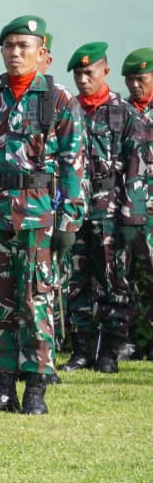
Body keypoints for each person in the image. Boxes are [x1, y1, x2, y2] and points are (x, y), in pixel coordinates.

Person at [0, 15, 85, 415]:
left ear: (42, 54)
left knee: (36, 302)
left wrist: (69, 222)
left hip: (38, 218)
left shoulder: (58, 99)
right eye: (9, 46)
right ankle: (3, 388)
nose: (15, 53)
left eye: (24, 46)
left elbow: (73, 165)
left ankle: (35, 388)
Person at [61, 42, 147, 373]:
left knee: (115, 283)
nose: (82, 79)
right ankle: (81, 350)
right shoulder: (67, 111)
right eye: (78, 74)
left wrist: (132, 215)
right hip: (76, 211)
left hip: (111, 212)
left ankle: (109, 350)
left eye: (88, 72)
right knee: (76, 283)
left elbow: (135, 166)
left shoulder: (124, 113)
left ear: (105, 72)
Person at [121, 48, 153, 359]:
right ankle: (128, 342)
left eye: (140, 78)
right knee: (124, 276)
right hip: (127, 208)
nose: (134, 84)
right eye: (130, 79)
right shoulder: (120, 112)